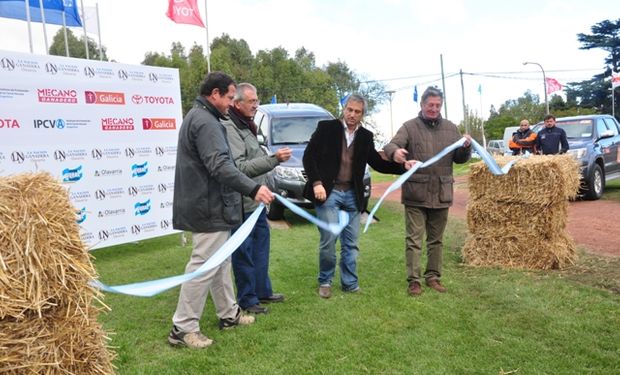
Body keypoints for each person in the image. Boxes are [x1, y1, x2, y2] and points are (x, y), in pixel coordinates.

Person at [168, 72, 274, 349]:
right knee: (203, 266)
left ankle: (229, 314)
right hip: (207, 207)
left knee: (221, 263)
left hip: (211, 205)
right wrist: (253, 188)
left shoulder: (204, 118)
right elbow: (221, 166)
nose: (231, 102)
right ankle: (183, 327)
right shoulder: (206, 122)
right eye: (229, 97)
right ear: (214, 94)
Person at [302, 93, 406, 299]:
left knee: (351, 243)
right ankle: (325, 281)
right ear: (344, 108)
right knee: (329, 240)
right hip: (328, 194)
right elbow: (308, 156)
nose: (352, 114)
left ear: (362, 114)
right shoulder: (326, 128)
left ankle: (350, 283)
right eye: (349, 109)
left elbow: (378, 162)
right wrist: (316, 183)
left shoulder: (366, 136)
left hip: (352, 195)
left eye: (357, 112)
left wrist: (404, 166)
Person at [383, 87, 471, 296]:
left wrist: (466, 147)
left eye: (437, 105)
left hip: (442, 192)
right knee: (414, 239)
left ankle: (433, 277)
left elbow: (459, 158)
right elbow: (391, 145)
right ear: (422, 105)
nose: (433, 109)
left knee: (436, 240)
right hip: (416, 193)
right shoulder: (409, 127)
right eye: (430, 105)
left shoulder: (451, 129)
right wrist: (396, 152)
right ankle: (414, 281)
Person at [222, 83, 292, 314]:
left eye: (257, 100)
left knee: (261, 248)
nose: (256, 105)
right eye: (251, 102)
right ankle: (248, 299)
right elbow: (239, 166)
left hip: (258, 202)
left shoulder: (247, 126)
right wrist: (273, 159)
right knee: (244, 253)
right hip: (242, 204)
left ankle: (262, 291)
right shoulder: (231, 128)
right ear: (237, 103)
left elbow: (255, 157)